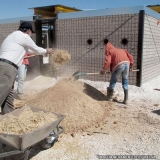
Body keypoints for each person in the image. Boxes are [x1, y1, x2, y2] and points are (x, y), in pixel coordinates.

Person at [0, 21, 53, 114]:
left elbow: (30, 50)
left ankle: (8, 117)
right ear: (28, 31)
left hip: (5, 65)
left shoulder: (13, 36)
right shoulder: (24, 37)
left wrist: (40, 52)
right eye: (31, 32)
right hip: (7, 67)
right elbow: (35, 48)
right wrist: (46, 50)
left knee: (8, 94)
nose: (31, 34)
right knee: (2, 90)